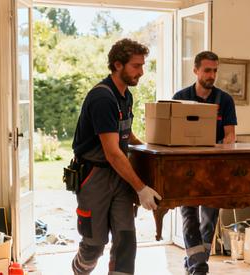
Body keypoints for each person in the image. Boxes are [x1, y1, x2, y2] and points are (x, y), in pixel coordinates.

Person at [70, 38, 162, 275]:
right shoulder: (102, 98)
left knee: (125, 241)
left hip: (119, 176)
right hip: (94, 177)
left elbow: (125, 132)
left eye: (142, 66)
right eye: (136, 66)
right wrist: (141, 188)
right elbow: (112, 153)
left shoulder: (125, 96)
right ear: (117, 65)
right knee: (94, 245)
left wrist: (151, 151)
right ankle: (79, 270)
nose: (141, 72)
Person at [171, 51, 238, 275]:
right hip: (187, 169)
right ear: (196, 70)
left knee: (209, 220)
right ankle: (199, 267)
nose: (212, 75)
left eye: (215, 70)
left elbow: (230, 135)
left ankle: (195, 262)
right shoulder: (180, 97)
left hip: (214, 170)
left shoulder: (225, 100)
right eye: (207, 70)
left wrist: (223, 149)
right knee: (189, 217)